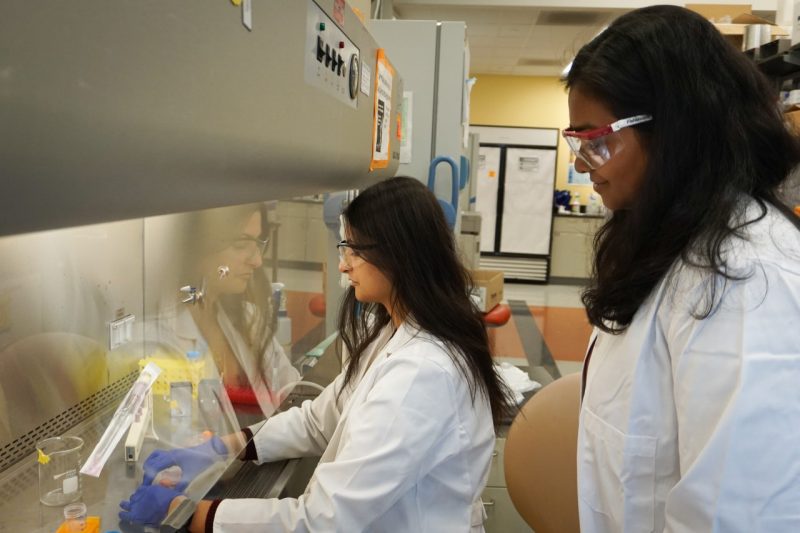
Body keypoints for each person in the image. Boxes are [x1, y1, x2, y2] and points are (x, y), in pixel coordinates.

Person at [119, 176, 514, 531]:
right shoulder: (395, 332)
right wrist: (224, 447)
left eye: (353, 250)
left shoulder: (420, 374)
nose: (343, 266)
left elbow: (321, 522)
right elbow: (320, 421)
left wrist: (190, 513)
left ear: (397, 255)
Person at [561, 5, 800, 532]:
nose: (581, 163)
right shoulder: (670, 237)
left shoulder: (747, 279)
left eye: (595, 141)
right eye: (577, 141)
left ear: (676, 130)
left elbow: (739, 516)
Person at [151, 203, 300, 418]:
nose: (257, 261)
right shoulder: (162, 339)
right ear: (199, 247)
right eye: (241, 245)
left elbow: (292, 393)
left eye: (258, 244)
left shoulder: (248, 318)